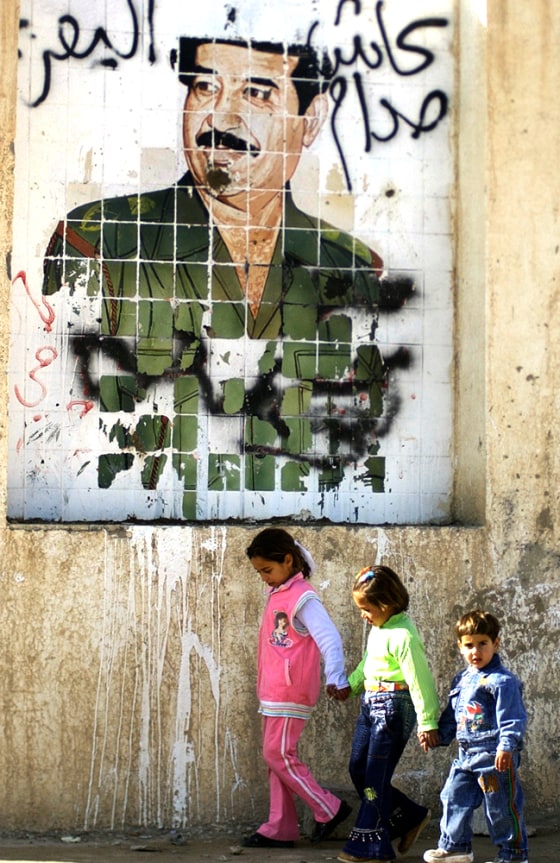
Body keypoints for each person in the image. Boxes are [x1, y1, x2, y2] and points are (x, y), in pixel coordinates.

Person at [41, 34, 412, 518]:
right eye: (205, 87)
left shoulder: (355, 270)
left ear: (312, 119)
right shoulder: (99, 241)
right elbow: (57, 420)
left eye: (257, 93)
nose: (221, 118)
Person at [243, 527, 352, 848]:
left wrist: (335, 677)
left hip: (290, 692)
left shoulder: (303, 597)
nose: (264, 577)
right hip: (273, 691)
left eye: (267, 570)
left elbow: (329, 638)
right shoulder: (280, 592)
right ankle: (280, 828)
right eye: (259, 572)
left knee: (277, 754)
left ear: (288, 560)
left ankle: (329, 808)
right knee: (276, 759)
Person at [333, 564, 440, 863]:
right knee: (359, 770)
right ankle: (409, 815)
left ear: (387, 604)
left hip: (393, 708)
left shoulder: (404, 636)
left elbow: (419, 679)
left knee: (374, 779)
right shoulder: (379, 630)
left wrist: (428, 721)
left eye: (366, 609)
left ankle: (370, 846)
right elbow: (368, 665)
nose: (363, 615)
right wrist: (349, 686)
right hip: (370, 705)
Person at [423, 610, 529, 863]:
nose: (476, 651)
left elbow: (513, 718)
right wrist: (438, 735)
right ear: (460, 646)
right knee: (453, 797)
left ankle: (513, 854)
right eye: (469, 645)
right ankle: (456, 847)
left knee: (500, 807)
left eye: (483, 644)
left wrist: (506, 746)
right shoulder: (462, 679)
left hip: (494, 759)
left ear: (496, 643)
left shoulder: (502, 681)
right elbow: (453, 715)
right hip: (466, 756)